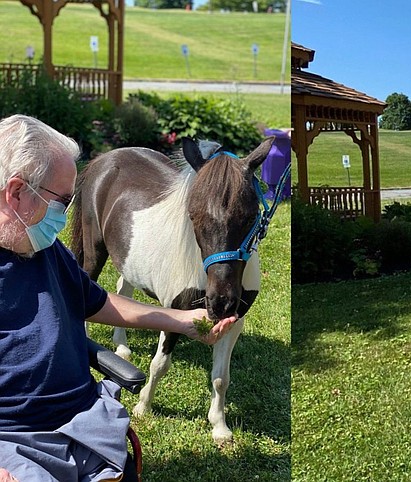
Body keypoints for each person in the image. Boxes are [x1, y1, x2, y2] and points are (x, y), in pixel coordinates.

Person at [0, 114, 237, 481]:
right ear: (16, 192)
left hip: (83, 420)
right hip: (15, 441)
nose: (65, 214)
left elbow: (96, 301)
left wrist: (182, 321)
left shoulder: (42, 248)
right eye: (62, 200)